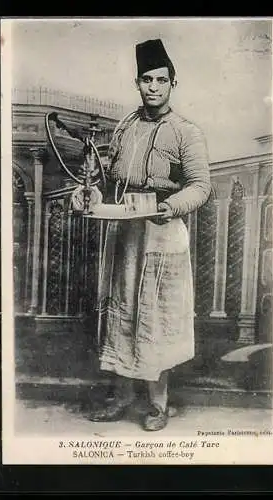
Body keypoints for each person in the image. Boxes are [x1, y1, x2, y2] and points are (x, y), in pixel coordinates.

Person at [90, 38, 211, 431]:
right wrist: (91, 188)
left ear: (173, 83)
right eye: (146, 80)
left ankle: (158, 405)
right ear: (137, 83)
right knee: (123, 310)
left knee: (156, 317)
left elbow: (200, 186)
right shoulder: (125, 127)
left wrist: (170, 206)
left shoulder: (185, 132)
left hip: (162, 234)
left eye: (161, 80)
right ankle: (123, 397)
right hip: (124, 234)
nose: (153, 87)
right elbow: (107, 177)